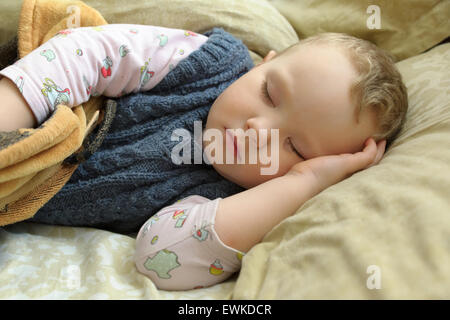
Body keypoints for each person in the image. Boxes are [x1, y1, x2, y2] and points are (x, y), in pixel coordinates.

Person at [0, 24, 408, 290]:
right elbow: (91, 54)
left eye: (295, 148)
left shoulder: (228, 199)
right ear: (264, 63)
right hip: (28, 95)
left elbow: (159, 256)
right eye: (269, 93)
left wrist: (306, 184)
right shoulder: (206, 64)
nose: (257, 129)